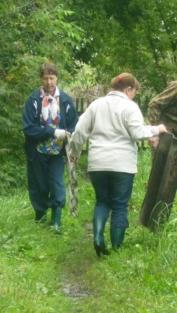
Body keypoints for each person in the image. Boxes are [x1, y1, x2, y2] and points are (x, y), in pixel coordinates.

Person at [69, 73, 167, 257]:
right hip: (122, 165)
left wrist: (74, 153)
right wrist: (157, 129)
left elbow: (79, 132)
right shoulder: (130, 107)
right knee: (120, 206)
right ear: (128, 89)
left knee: (102, 202)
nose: (133, 96)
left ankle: (98, 237)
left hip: (98, 164)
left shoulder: (95, 105)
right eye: (134, 92)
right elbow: (137, 133)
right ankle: (116, 248)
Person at [23, 62, 78, 234]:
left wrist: (67, 135)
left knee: (56, 183)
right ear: (41, 79)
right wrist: (51, 132)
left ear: (57, 78)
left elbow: (74, 126)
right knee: (39, 184)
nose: (49, 82)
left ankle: (56, 222)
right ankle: (40, 219)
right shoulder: (33, 101)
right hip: (37, 152)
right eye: (45, 78)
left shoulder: (66, 101)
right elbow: (28, 128)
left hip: (58, 153)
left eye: (52, 78)